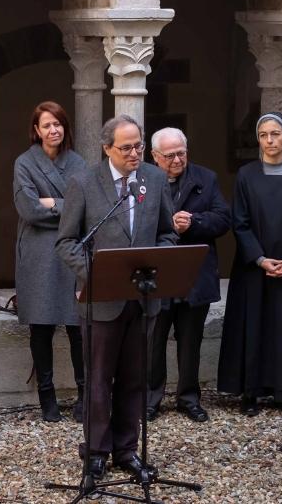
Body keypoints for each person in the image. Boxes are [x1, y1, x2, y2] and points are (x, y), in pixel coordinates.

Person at [56, 115, 177, 481]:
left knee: (134, 380)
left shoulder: (154, 180)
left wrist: (157, 262)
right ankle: (95, 451)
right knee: (98, 381)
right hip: (101, 300)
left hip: (142, 299)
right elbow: (66, 242)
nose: (135, 153)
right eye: (126, 148)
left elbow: (167, 233)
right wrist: (95, 275)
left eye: (139, 145)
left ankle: (127, 449)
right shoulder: (83, 182)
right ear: (107, 148)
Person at [217, 112, 282, 416]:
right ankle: (250, 392)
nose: (269, 140)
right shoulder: (247, 175)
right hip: (253, 268)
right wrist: (260, 259)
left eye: (275, 134)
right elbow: (240, 222)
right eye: (263, 135)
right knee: (253, 326)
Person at [147, 128, 231, 423]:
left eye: (181, 153)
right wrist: (166, 225)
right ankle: (150, 398)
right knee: (153, 340)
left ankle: (188, 398)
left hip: (195, 272)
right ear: (155, 157)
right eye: (169, 155)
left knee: (190, 340)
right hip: (157, 272)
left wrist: (193, 222)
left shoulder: (206, 178)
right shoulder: (144, 180)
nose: (176, 160)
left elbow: (223, 219)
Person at [13, 101, 86, 423]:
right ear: (36, 130)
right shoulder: (24, 163)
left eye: (58, 124)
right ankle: (47, 396)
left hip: (71, 251)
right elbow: (29, 210)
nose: (53, 130)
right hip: (38, 254)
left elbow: (87, 209)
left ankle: (86, 396)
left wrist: (52, 202)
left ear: (64, 128)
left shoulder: (79, 163)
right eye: (46, 125)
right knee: (41, 328)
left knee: (78, 328)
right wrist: (66, 205)